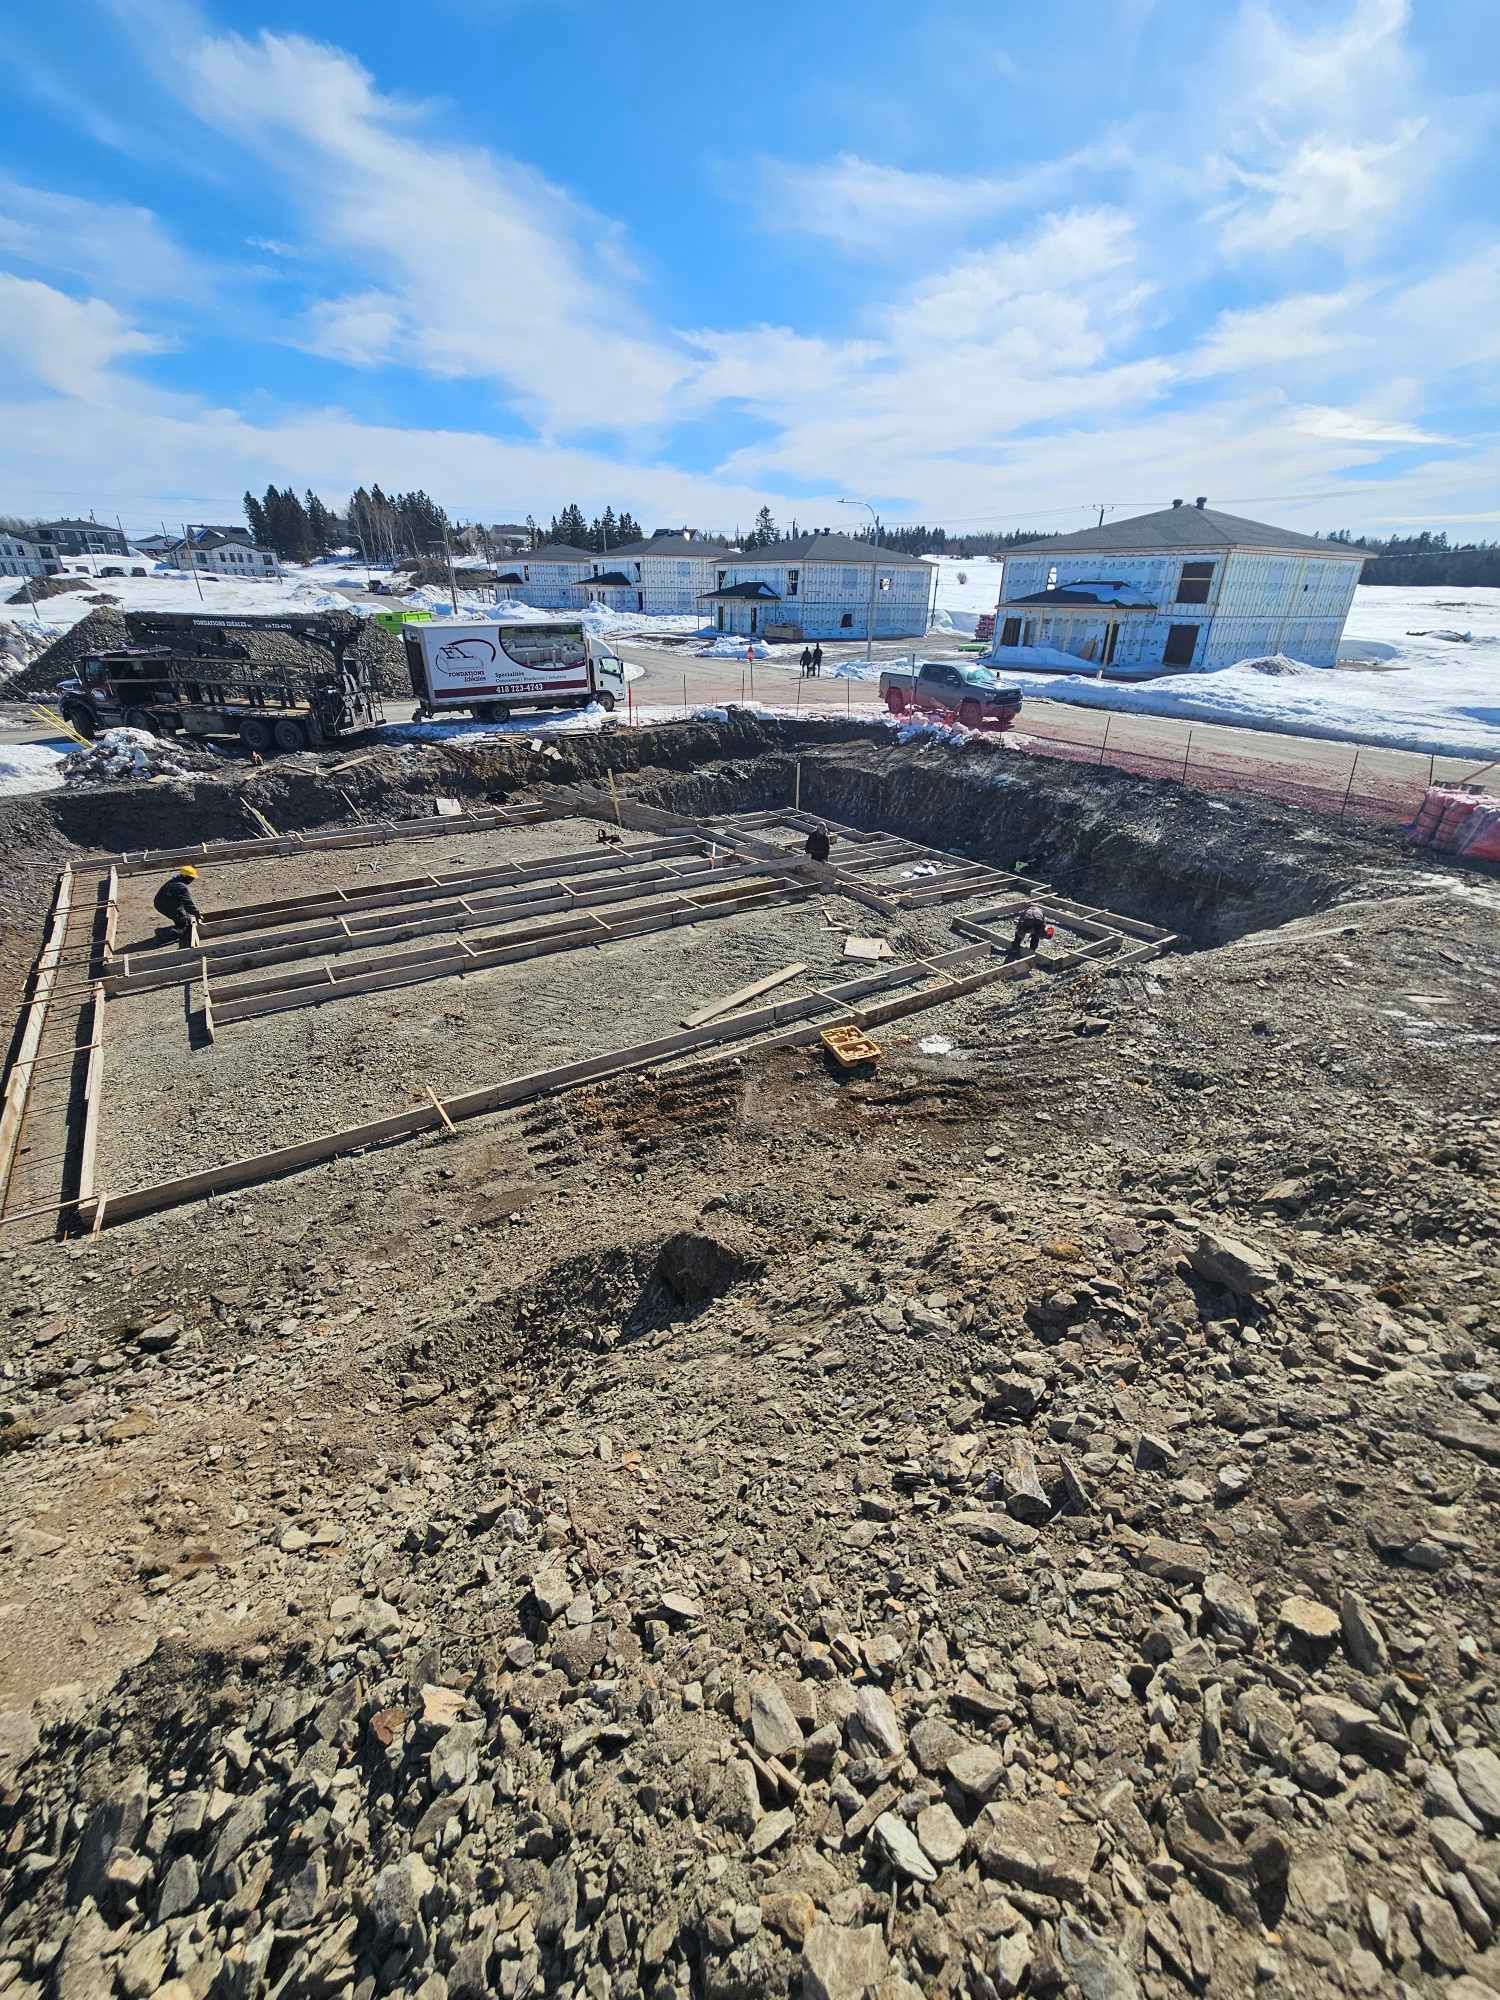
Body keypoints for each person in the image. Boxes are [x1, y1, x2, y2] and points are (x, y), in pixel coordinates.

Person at [153, 866, 202, 947]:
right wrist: (197, 914)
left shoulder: (176, 880)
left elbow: (184, 903)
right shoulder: (181, 887)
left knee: (183, 917)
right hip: (166, 906)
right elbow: (188, 903)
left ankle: (177, 925)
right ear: (186, 877)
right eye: (191, 878)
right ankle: (162, 935)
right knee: (185, 926)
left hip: (163, 902)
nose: (192, 880)